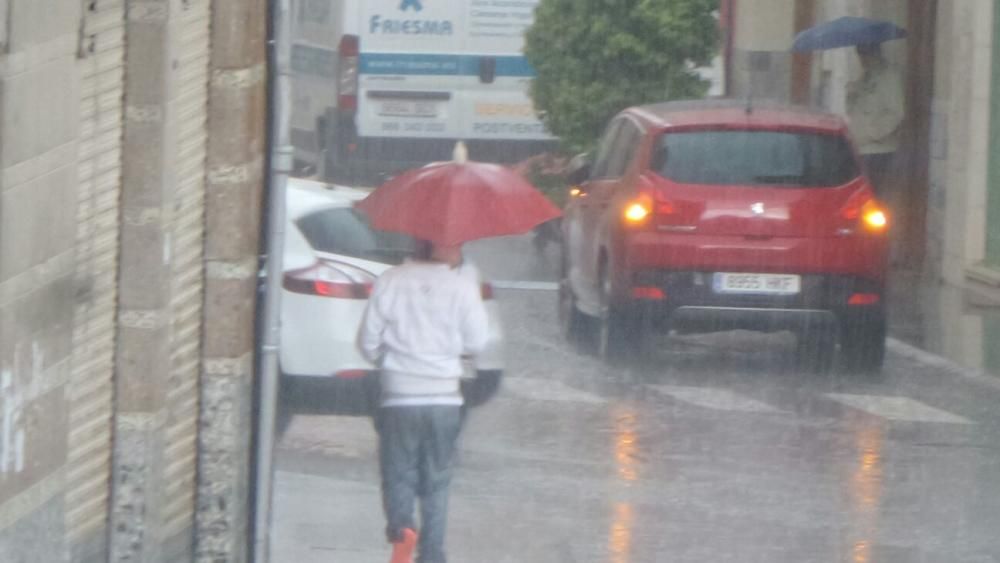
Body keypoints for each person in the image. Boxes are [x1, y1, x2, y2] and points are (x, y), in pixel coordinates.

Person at [358, 240, 490, 563]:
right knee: (437, 481)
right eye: (456, 243)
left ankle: (402, 531)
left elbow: (366, 342)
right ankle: (432, 555)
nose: (459, 249)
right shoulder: (462, 287)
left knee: (397, 472)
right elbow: (478, 342)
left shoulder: (390, 280)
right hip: (444, 399)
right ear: (442, 247)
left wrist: (386, 357)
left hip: (399, 397)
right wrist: (452, 348)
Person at [846, 42, 905, 197]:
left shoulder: (889, 77)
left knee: (875, 197)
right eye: (859, 55)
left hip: (879, 151)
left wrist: (873, 133)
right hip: (860, 148)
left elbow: (896, 113)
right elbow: (853, 111)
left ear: (874, 54)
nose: (861, 60)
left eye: (864, 54)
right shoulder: (865, 77)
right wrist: (851, 94)